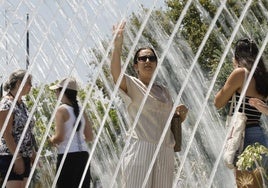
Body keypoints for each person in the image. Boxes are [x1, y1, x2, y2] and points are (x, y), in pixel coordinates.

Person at [111, 22, 188, 188]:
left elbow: (166, 122)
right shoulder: (132, 84)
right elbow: (116, 75)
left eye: (151, 58)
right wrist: (117, 46)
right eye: (142, 58)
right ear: (135, 65)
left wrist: (180, 117)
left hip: (165, 150)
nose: (147, 61)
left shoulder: (164, 91)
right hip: (141, 148)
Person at [214, 38, 268, 183]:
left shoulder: (240, 74)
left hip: (242, 135)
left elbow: (218, 102)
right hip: (259, 135)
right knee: (258, 184)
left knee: (245, 185)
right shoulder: (264, 77)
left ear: (237, 56)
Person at [49, 77, 93, 188]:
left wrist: (51, 140)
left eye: (57, 90)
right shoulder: (81, 109)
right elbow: (89, 136)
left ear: (62, 92)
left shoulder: (61, 110)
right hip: (83, 155)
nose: (55, 93)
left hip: (67, 157)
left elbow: (59, 137)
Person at [0, 69, 36, 188]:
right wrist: (17, 158)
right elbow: (6, 133)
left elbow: (27, 131)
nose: (31, 86)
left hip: (24, 156)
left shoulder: (22, 104)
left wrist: (32, 152)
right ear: (19, 83)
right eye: (29, 82)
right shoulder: (6, 104)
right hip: (11, 156)